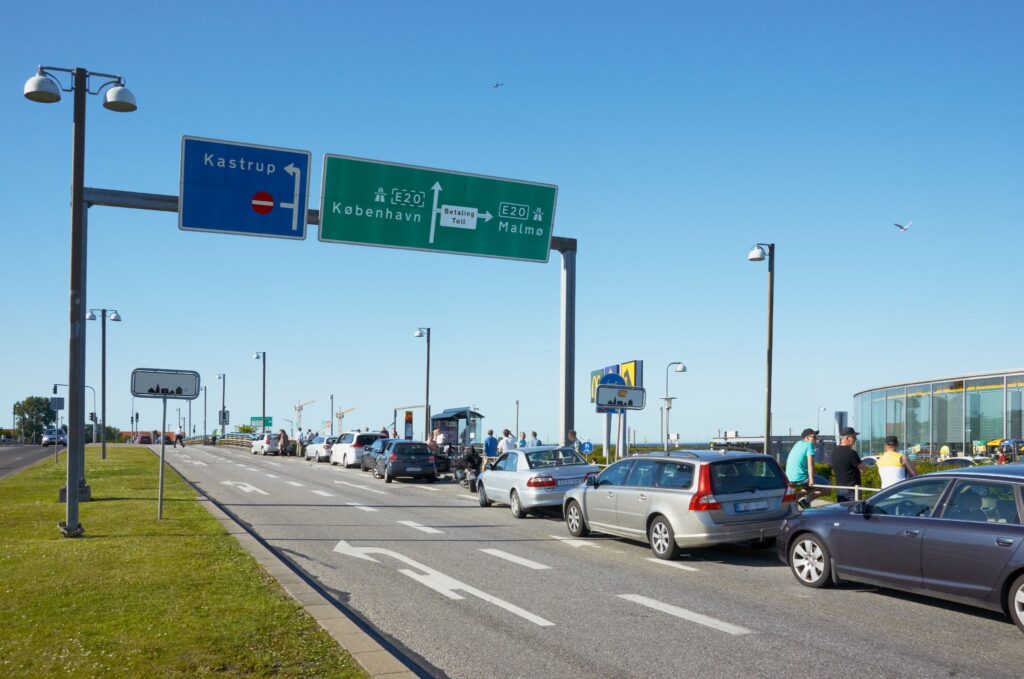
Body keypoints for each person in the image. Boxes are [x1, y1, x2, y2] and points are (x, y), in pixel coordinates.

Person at [784, 428, 828, 508]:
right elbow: (810, 463)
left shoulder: (797, 443)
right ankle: (805, 501)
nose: (816, 439)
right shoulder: (809, 445)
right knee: (826, 485)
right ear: (807, 438)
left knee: (814, 485)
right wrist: (811, 479)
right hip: (801, 477)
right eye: (814, 437)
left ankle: (798, 498)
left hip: (790, 477)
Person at [831, 427, 865, 502]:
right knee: (854, 510)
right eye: (854, 437)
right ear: (847, 438)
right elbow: (863, 469)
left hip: (840, 487)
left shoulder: (834, 452)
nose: (855, 439)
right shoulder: (851, 453)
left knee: (842, 511)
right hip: (852, 488)